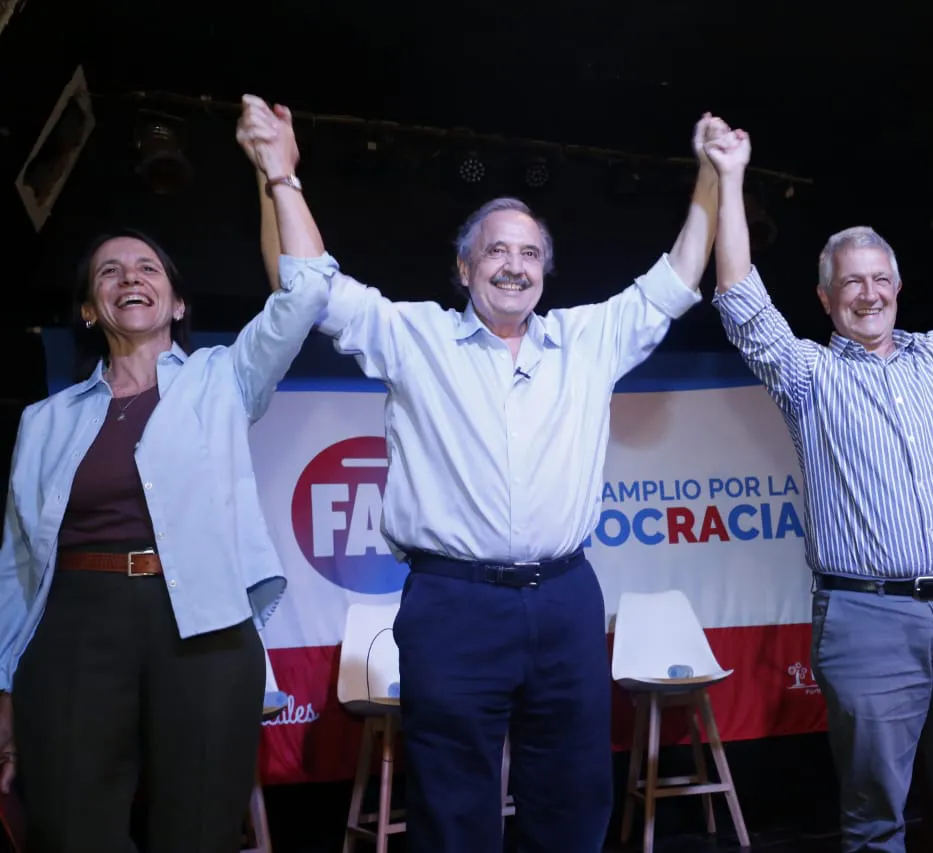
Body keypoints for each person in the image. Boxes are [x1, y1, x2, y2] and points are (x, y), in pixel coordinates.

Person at [241, 93, 733, 853]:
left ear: (546, 272)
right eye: (497, 250)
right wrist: (280, 174)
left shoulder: (588, 339)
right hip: (452, 604)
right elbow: (306, 283)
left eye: (530, 253)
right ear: (464, 266)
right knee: (453, 805)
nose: (514, 265)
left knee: (572, 797)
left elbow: (676, 279)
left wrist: (713, 174)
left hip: (566, 597)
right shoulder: (415, 336)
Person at [704, 124, 933, 852]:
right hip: (866, 620)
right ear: (824, 295)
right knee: (876, 821)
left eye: (880, 279)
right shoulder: (809, 375)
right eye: (851, 281)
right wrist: (731, 178)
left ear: (898, 287)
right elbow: (737, 293)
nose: (868, 294)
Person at [0, 98, 329, 853]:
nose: (129, 277)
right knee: (70, 829)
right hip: (76, 627)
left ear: (177, 302)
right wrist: (4, 683)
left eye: (147, 267)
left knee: (197, 833)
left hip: (205, 630)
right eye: (108, 272)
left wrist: (276, 174)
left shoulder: (221, 380)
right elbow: (18, 563)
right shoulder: (43, 421)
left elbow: (305, 292)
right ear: (89, 309)